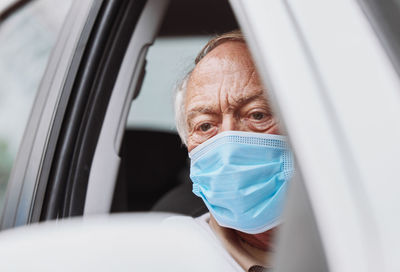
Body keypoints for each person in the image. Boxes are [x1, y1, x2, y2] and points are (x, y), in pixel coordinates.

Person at [169, 31, 294, 272]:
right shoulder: (172, 255)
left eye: (257, 115)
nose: (228, 144)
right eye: (205, 126)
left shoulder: (370, 231)